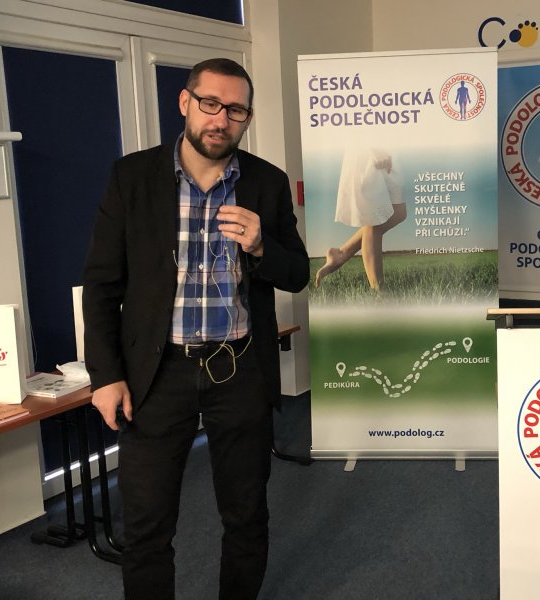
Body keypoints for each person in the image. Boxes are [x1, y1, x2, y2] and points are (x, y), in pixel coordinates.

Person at [83, 58, 309, 600]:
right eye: (210, 103)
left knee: (246, 513)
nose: (221, 119)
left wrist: (262, 246)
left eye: (236, 110)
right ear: (185, 102)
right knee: (147, 525)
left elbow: (298, 273)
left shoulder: (266, 183)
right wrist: (106, 376)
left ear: (246, 117)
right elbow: (101, 285)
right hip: (157, 373)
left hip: (239, 369)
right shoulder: (133, 177)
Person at [314, 147, 405, 291]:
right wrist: (375, 150)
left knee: (398, 212)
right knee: (374, 218)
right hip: (369, 151)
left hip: (386, 147)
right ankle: (380, 293)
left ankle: (341, 253)